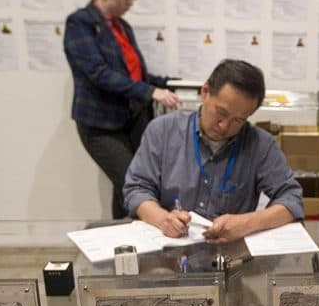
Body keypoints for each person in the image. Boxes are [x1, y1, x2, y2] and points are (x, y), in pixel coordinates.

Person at [123, 59, 303, 245]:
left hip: (231, 257)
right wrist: (163, 219)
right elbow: (137, 189)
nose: (224, 126)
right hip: (169, 252)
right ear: (205, 92)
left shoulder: (261, 145)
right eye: (221, 113)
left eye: (238, 120)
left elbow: (292, 199)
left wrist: (247, 223)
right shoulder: (162, 131)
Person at [64, 0, 181, 219]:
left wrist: (170, 83)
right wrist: (150, 92)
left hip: (131, 120)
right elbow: (98, 73)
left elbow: (135, 74)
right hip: (101, 125)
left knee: (130, 185)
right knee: (131, 183)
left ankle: (123, 242)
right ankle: (128, 241)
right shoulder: (81, 23)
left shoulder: (121, 26)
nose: (130, 3)